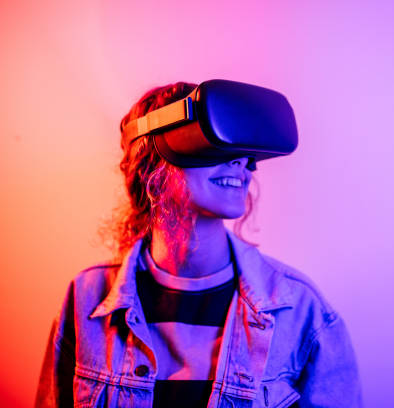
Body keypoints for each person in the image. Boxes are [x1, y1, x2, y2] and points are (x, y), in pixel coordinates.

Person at [35, 81, 362, 407]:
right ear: (153, 160)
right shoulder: (86, 299)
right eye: (214, 143)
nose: (243, 163)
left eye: (244, 152)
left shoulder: (301, 310)